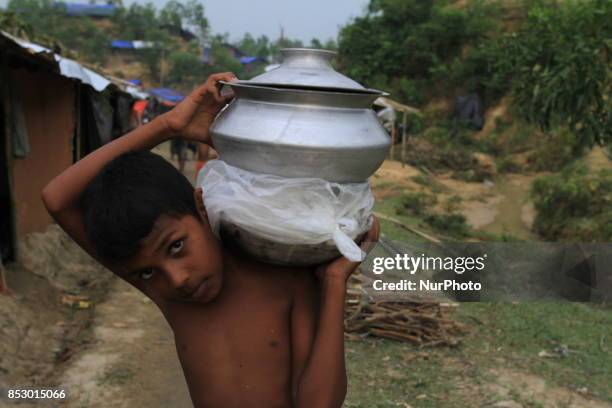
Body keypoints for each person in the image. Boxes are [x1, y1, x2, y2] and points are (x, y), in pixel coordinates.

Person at [41, 72, 380, 408]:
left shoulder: (283, 280)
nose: (177, 279)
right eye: (145, 272)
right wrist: (168, 125)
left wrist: (334, 282)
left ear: (202, 207)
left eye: (176, 246)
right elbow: (57, 199)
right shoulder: (169, 295)